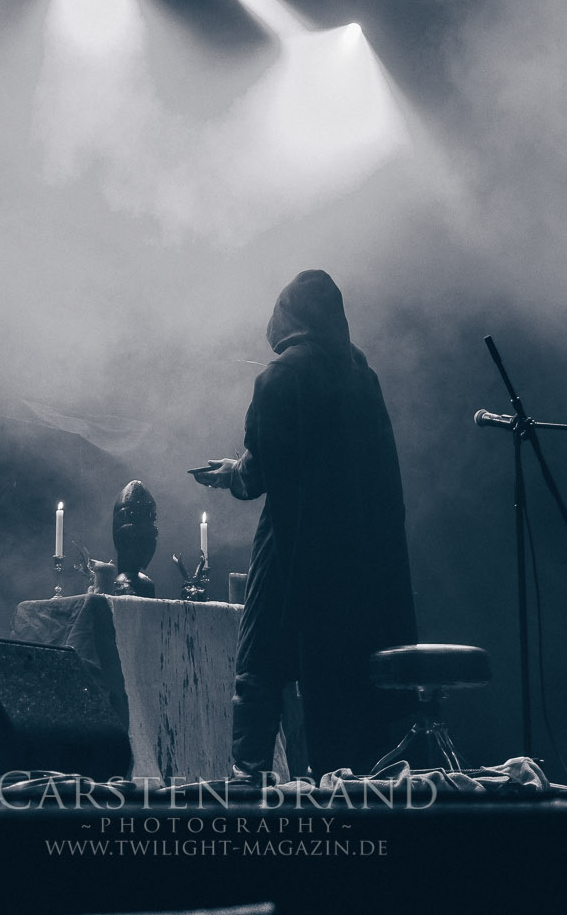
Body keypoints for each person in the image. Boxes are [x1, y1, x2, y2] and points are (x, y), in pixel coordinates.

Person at [192, 270, 417, 778]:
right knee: (348, 674)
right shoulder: (363, 375)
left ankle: (249, 782)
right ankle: (353, 787)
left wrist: (232, 475)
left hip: (294, 549)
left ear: (289, 314)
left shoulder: (282, 375)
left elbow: (260, 473)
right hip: (361, 557)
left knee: (260, 663)